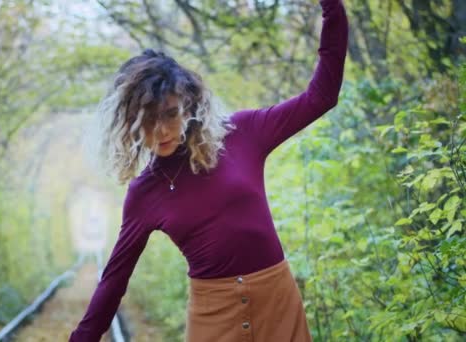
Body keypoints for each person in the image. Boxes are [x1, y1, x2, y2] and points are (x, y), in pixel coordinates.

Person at [70, 0, 348, 340]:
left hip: (278, 303)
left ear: (187, 102)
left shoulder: (243, 132)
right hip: (213, 317)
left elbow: (322, 96)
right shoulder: (145, 192)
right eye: (147, 121)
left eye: (169, 114)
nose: (161, 131)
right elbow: (114, 280)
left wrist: (332, 8)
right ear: (131, 126)